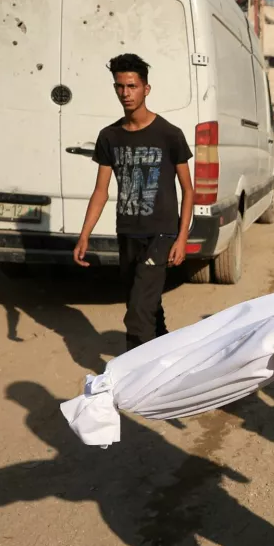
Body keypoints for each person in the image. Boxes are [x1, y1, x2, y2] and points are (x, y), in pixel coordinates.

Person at [73, 54, 194, 352]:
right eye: (119, 87)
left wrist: (181, 236)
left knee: (138, 314)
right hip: (127, 232)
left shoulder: (169, 135)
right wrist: (85, 234)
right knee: (144, 302)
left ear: (146, 89)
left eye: (132, 86)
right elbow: (101, 191)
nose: (125, 93)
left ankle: (133, 381)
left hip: (161, 234)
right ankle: (167, 353)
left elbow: (188, 190)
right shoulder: (109, 137)